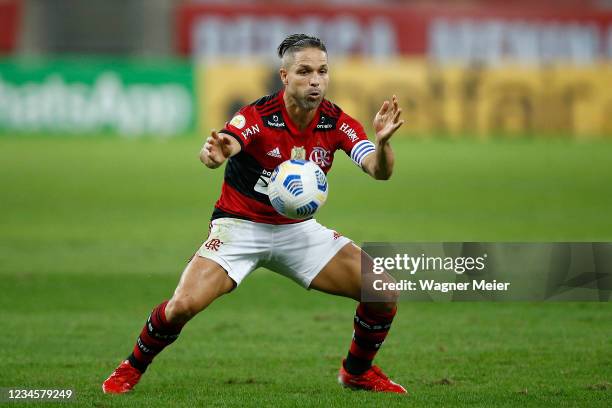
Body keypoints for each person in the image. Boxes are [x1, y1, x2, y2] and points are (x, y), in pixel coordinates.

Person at [102, 33, 406, 394]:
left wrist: (384, 144)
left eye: (322, 71)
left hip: (298, 231)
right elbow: (227, 143)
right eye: (304, 71)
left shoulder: (336, 122)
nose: (315, 80)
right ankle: (131, 367)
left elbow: (379, 170)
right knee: (182, 306)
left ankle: (357, 372)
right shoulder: (259, 116)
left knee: (382, 290)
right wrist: (213, 154)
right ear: (284, 76)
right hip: (239, 227)